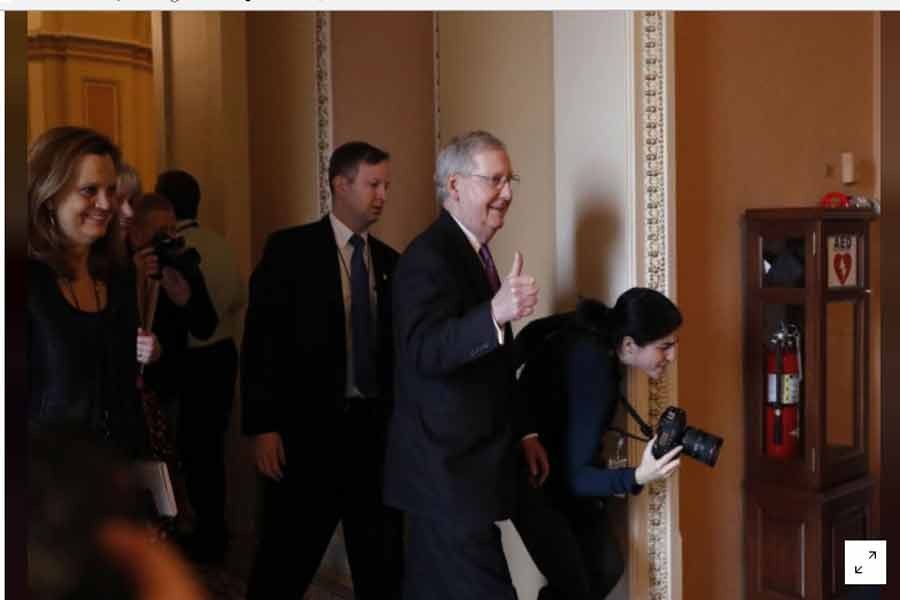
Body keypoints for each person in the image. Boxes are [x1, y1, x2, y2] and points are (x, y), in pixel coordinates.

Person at [383, 130, 542, 599]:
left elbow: (492, 369)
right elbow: (422, 351)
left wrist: (525, 433)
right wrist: (494, 313)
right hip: (444, 476)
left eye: (510, 179)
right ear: (455, 187)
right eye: (495, 179)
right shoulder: (427, 257)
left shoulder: (474, 253)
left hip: (467, 472)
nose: (507, 193)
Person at [242, 141, 403, 599]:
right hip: (305, 434)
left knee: (383, 563)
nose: (382, 195)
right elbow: (261, 341)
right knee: (284, 561)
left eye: (386, 185)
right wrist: (263, 426)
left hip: (373, 435)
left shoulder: (391, 263)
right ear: (340, 184)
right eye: (373, 184)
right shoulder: (291, 250)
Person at [511, 288, 684, 600]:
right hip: (530, 477)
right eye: (665, 346)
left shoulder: (593, 330)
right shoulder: (593, 367)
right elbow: (576, 478)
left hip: (553, 464)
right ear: (629, 345)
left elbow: (528, 338)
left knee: (605, 568)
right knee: (579, 584)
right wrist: (639, 476)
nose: (672, 356)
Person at [27, 126, 157, 457]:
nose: (105, 203)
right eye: (89, 190)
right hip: (45, 488)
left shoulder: (119, 275)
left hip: (119, 479)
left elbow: (128, 391)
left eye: (110, 190)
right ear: (49, 194)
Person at [154, 169, 246, 563]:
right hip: (224, 355)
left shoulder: (172, 251)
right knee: (211, 449)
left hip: (189, 362)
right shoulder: (221, 244)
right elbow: (239, 298)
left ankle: (199, 536)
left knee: (191, 452)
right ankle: (216, 532)